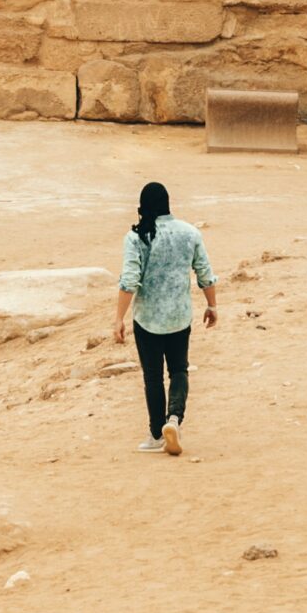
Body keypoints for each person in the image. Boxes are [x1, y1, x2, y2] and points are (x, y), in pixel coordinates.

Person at [111, 181, 216, 456]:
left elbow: (129, 281)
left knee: (153, 377)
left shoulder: (136, 237)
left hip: (148, 319)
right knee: (179, 369)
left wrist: (118, 318)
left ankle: (157, 433)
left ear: (143, 207)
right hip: (180, 315)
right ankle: (174, 419)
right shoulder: (189, 233)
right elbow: (205, 272)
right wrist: (212, 305)